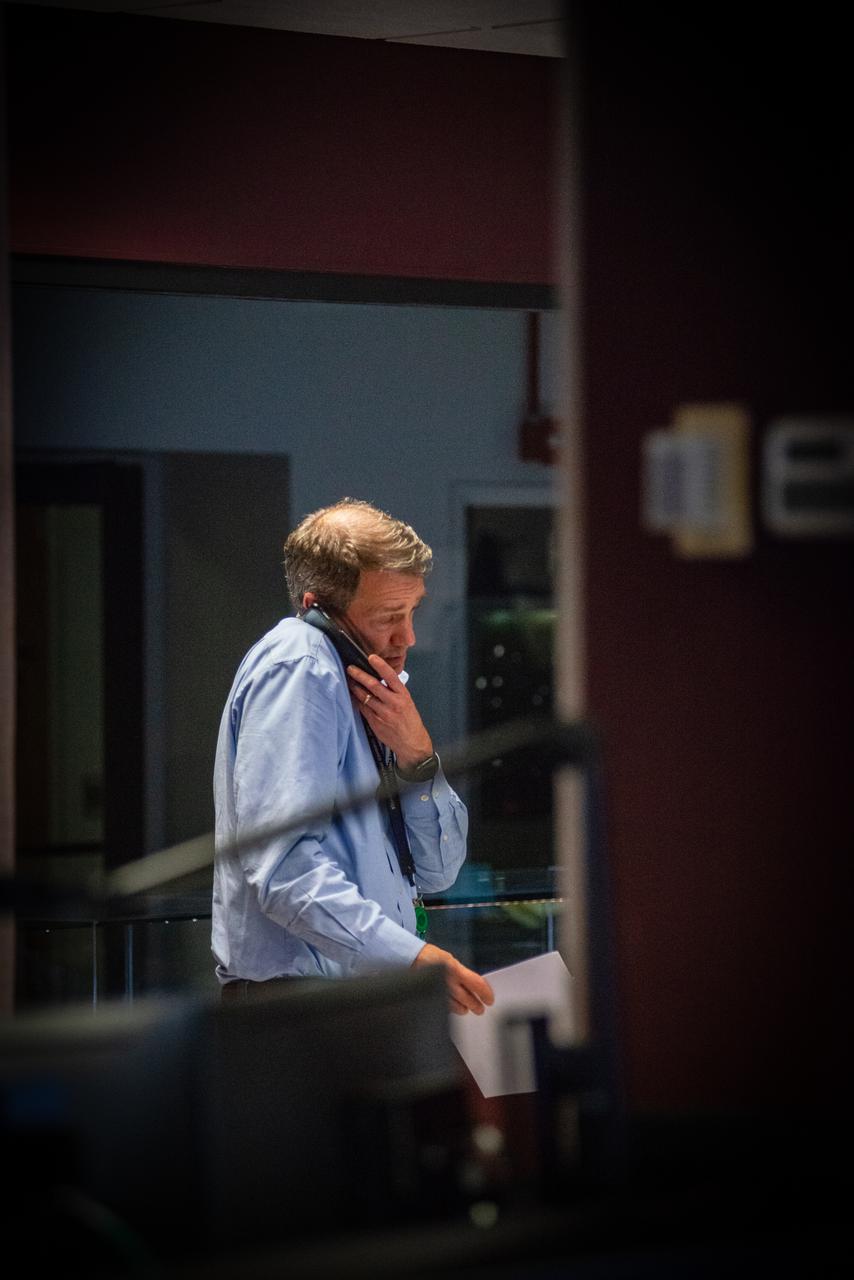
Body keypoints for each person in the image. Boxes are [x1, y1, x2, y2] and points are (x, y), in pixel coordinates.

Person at [212, 497, 494, 1016]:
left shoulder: (361, 685)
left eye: (412, 611)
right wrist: (409, 958)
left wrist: (418, 757)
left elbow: (439, 872)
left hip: (349, 1004)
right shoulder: (301, 667)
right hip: (301, 1011)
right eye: (389, 616)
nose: (407, 637)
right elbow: (283, 870)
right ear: (317, 607)